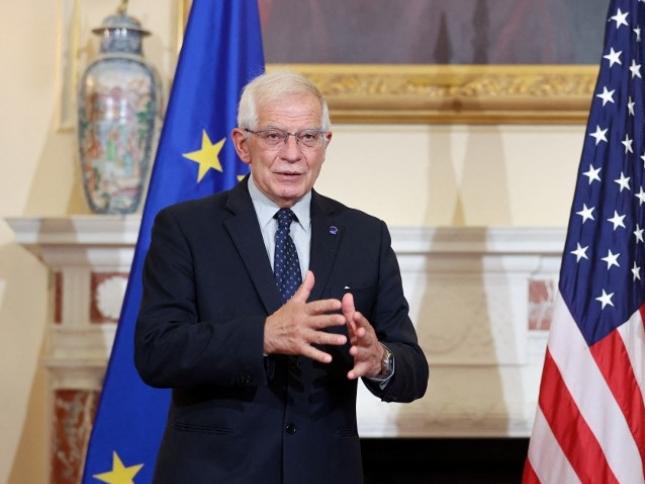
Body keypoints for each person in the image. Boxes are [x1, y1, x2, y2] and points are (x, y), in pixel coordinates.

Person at [135, 71, 429, 484]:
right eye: (274, 136)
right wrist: (263, 336)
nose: (292, 154)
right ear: (242, 144)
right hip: (215, 473)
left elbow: (414, 371)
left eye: (308, 137)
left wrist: (380, 359)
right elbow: (156, 352)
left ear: (326, 145)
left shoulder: (365, 235)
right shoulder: (186, 228)